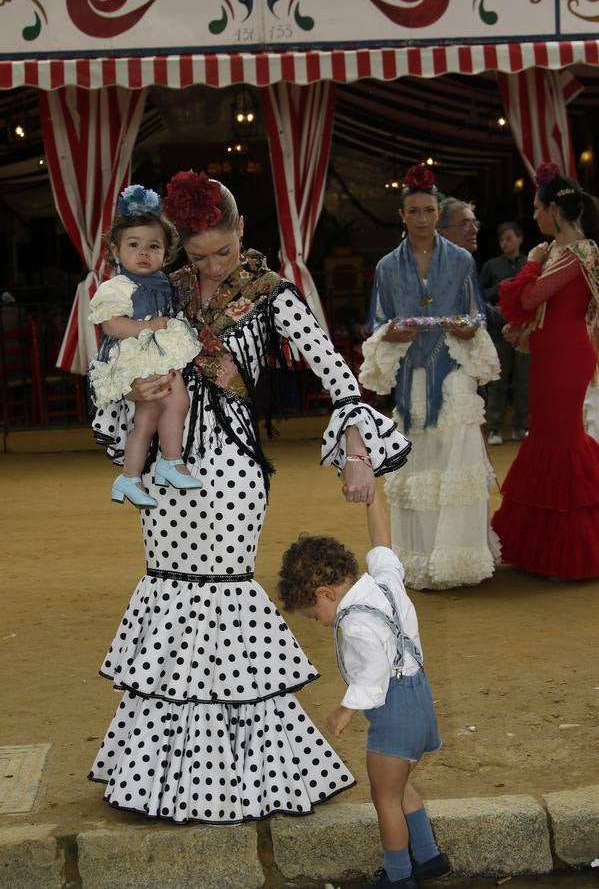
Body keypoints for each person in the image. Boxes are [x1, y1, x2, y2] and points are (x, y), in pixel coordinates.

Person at [88, 170, 411, 824]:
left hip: (234, 467)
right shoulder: (159, 289)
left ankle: (254, 773)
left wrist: (354, 452)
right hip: (164, 467)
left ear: (242, 234)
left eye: (221, 253)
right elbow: (110, 365)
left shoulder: (273, 295)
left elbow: (334, 369)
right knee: (169, 588)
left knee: (223, 589)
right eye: (197, 256)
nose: (207, 269)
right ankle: (162, 776)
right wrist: (134, 390)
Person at [277, 488, 450, 889]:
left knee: (384, 798)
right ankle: (428, 858)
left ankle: (398, 876)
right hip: (421, 703)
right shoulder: (384, 582)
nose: (320, 622)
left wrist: (345, 710)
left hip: (394, 713)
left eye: (314, 613)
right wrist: (373, 502)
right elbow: (382, 544)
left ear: (326, 593)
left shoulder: (354, 621)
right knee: (401, 785)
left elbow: (373, 674)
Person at [360, 165, 500, 591]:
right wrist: (392, 331)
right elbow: (377, 321)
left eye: (429, 211)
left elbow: (477, 311)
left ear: (439, 214)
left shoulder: (460, 260)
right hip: (411, 370)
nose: (422, 218)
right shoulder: (387, 266)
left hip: (454, 365)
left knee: (457, 450)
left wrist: (469, 325)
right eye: (414, 211)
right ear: (402, 215)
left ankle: (459, 559)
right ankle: (420, 559)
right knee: (420, 460)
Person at [493, 162, 599, 579]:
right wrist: (525, 332)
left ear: (555, 209)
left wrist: (532, 261)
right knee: (550, 437)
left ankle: (575, 555)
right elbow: (537, 310)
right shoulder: (562, 251)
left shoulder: (581, 250)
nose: (534, 215)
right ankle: (546, 550)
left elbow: (531, 296)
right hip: (551, 351)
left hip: (566, 355)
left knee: (561, 439)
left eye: (538, 208)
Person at [88, 185, 203, 507]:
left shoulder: (164, 282)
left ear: (166, 253)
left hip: (153, 353)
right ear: (115, 250)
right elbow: (111, 325)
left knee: (147, 419)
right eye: (134, 245)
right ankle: (171, 460)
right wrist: (148, 326)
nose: (143, 253)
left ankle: (129, 477)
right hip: (137, 356)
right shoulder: (117, 286)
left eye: (153, 246)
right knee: (178, 401)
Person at [479, 222, 529, 445]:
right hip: (498, 331)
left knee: (523, 381)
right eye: (502, 240)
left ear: (519, 238)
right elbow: (479, 297)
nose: (505, 243)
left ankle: (521, 426)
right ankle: (495, 428)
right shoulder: (491, 266)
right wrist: (499, 287)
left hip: (525, 330)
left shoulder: (531, 263)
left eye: (509, 238)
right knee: (497, 382)